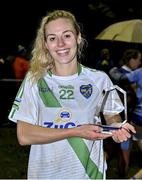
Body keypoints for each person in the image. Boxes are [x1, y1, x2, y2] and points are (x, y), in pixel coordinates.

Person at [8, 10, 135, 179]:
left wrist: (117, 128)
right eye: (52, 38)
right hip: (45, 174)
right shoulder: (35, 80)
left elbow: (112, 117)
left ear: (78, 38)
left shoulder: (99, 79)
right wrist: (76, 131)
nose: (60, 44)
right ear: (46, 44)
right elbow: (24, 135)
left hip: (89, 174)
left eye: (67, 35)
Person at [109, 49, 141, 177]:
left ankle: (122, 171)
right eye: (138, 59)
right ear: (131, 60)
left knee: (124, 146)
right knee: (123, 146)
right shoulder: (123, 74)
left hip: (130, 115)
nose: (139, 63)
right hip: (123, 115)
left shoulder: (127, 73)